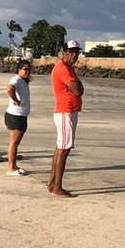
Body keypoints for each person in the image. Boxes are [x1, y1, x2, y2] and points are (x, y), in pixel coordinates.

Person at [48, 40, 84, 197]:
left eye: (77, 52)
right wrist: (78, 85)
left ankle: (52, 184)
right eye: (71, 52)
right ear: (64, 52)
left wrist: (78, 86)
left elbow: (78, 89)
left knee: (61, 148)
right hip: (65, 110)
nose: (75, 55)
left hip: (69, 110)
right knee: (63, 149)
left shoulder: (68, 68)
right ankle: (57, 187)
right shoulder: (63, 69)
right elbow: (77, 90)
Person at [4, 59, 32, 175]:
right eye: (25, 69)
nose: (27, 72)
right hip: (16, 115)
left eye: (29, 70)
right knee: (14, 143)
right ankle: (11, 168)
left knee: (15, 143)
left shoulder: (22, 81)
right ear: (19, 69)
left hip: (20, 115)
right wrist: (15, 100)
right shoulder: (16, 79)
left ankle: (14, 165)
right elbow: (10, 89)